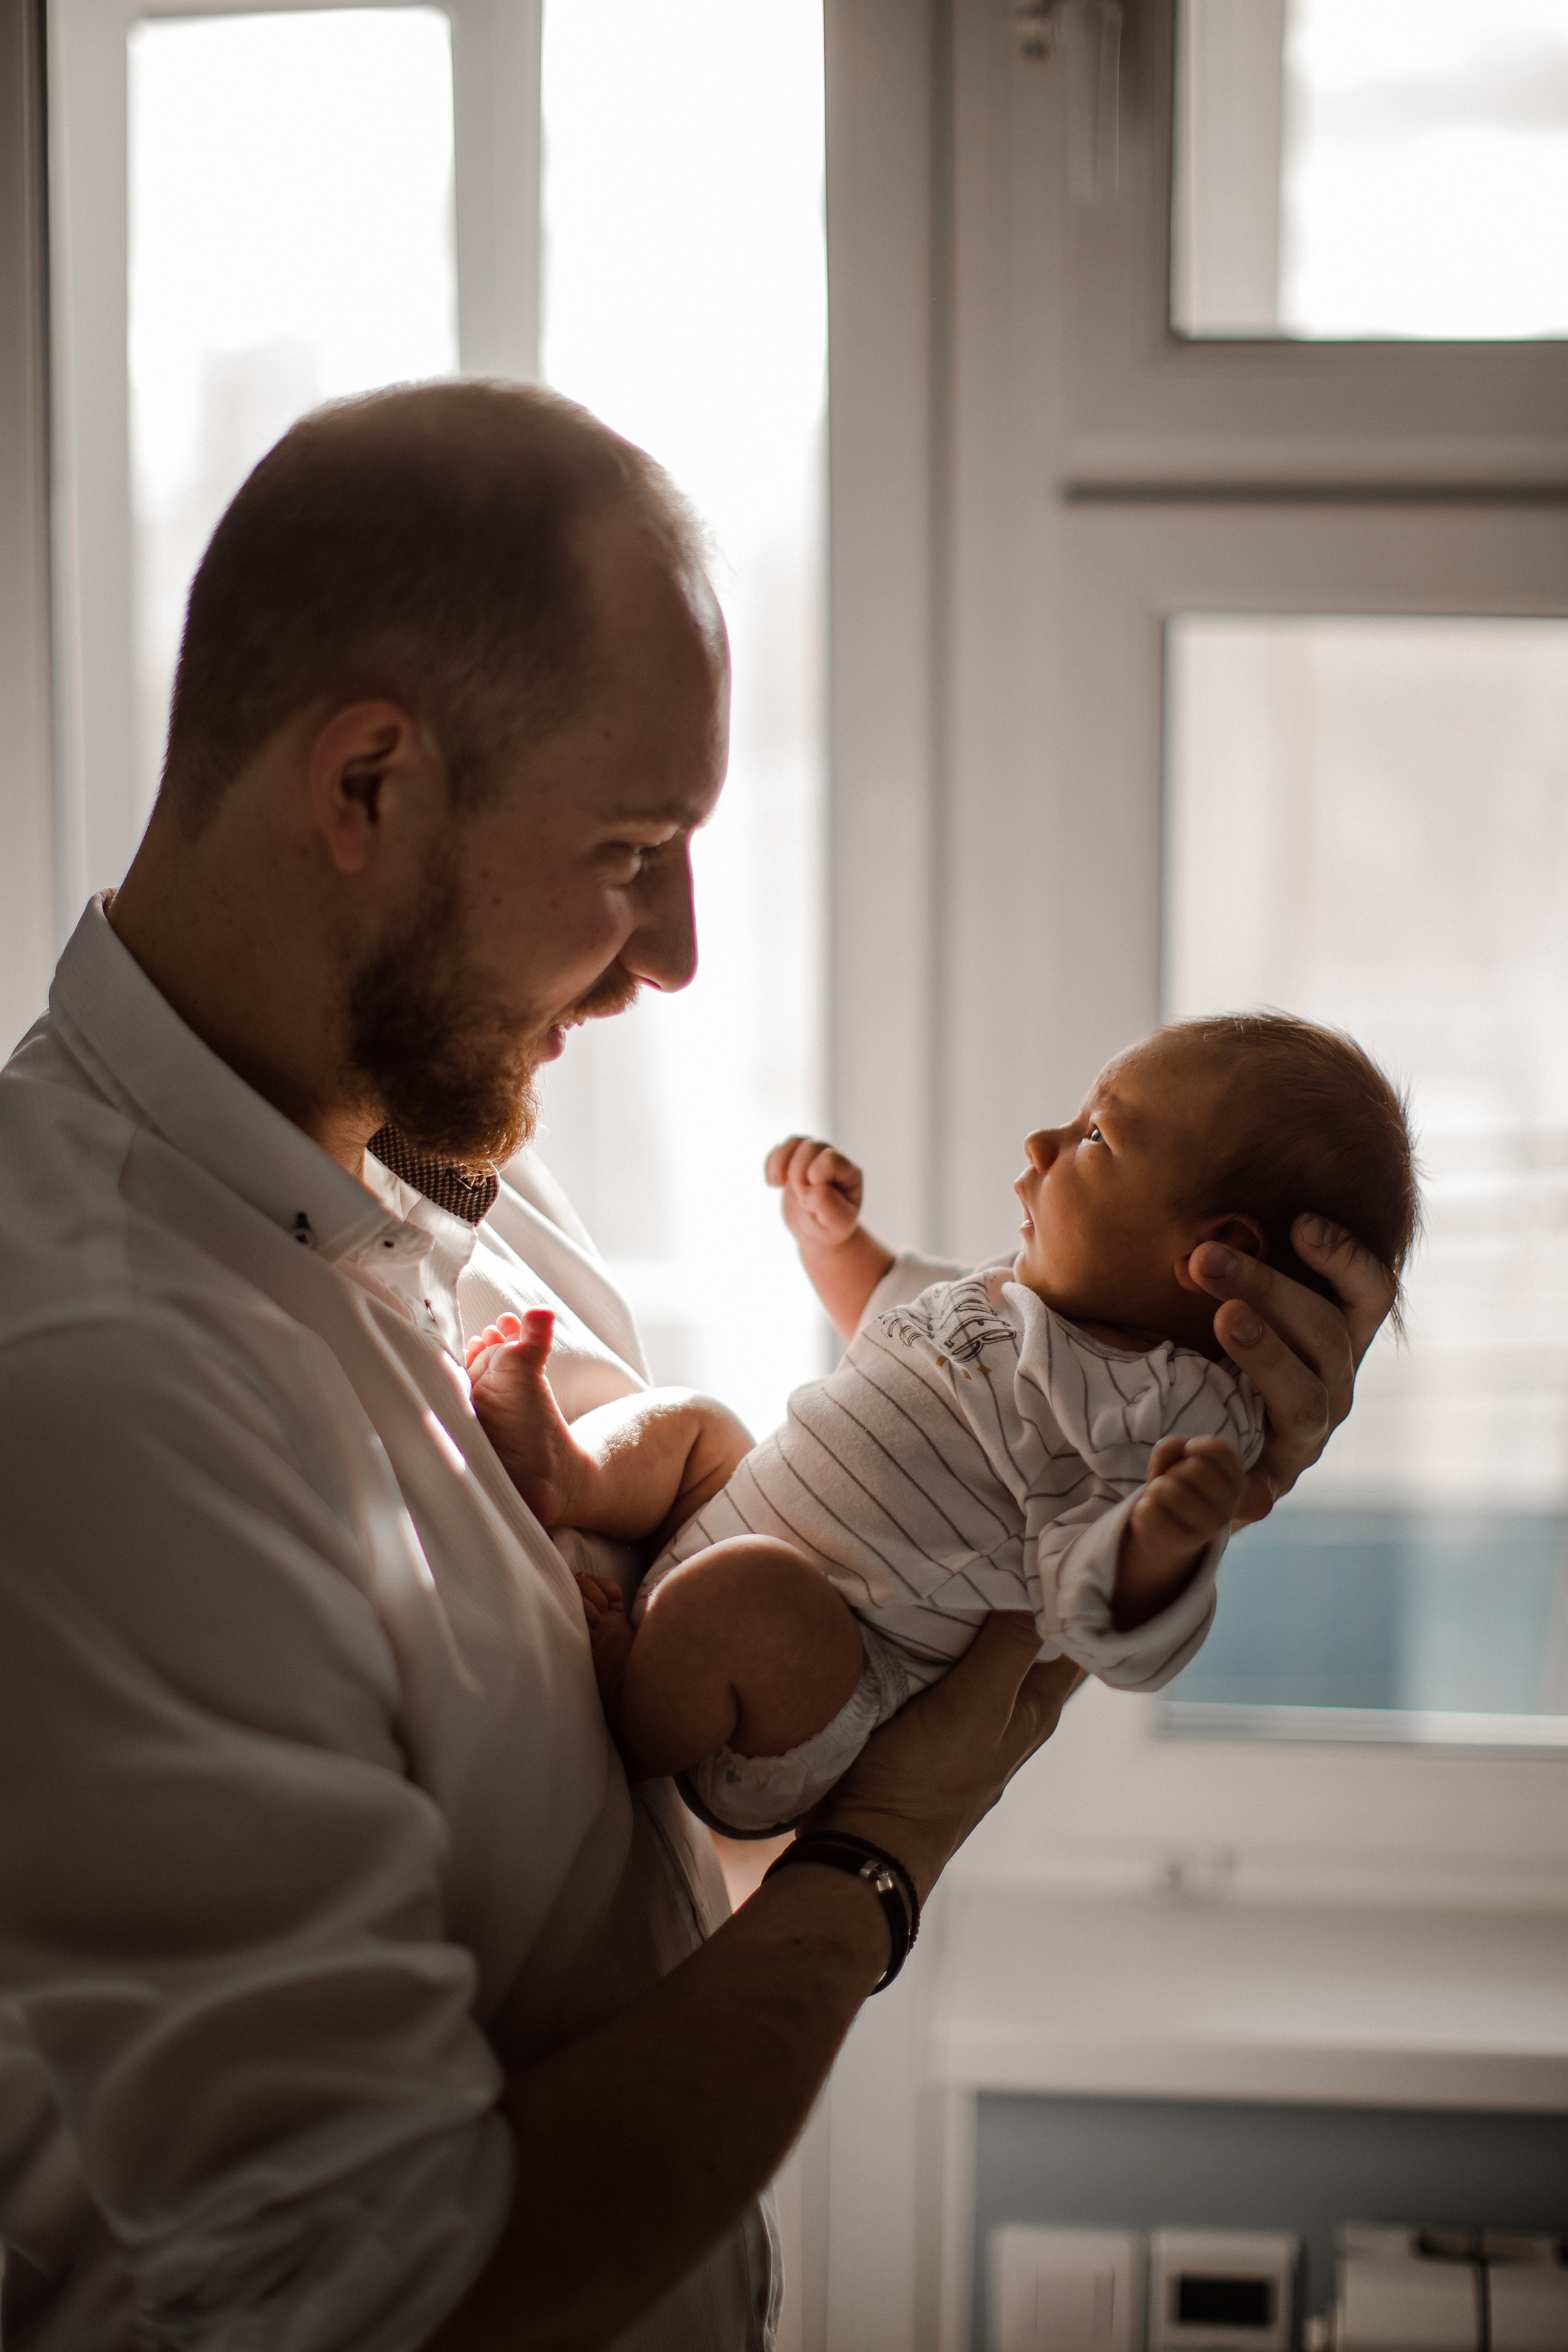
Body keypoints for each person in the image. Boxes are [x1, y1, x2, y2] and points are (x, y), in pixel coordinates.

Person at [0, 380, 1395, 2352]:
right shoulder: (92, 1385)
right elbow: (396, 2301)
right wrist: (885, 1864)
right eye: (632, 847)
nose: (674, 954)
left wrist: (1181, 1455)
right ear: (367, 786)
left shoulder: (463, 1168)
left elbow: (648, 1805)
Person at [466, 1014, 1419, 1835]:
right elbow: (887, 1311)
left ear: (1216, 1253)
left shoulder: (1168, 1414)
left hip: (820, 1681)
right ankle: (574, 1476)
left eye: (1097, 1140)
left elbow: (1106, 1622)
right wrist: (832, 1241)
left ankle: (638, 1710)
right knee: (708, 1426)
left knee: (752, 1594)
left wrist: (1164, 1542)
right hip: (737, 1524)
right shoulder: (1016, 1295)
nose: (1043, 1143)